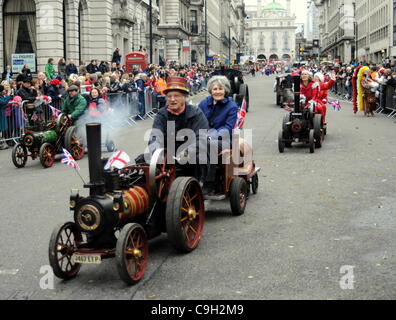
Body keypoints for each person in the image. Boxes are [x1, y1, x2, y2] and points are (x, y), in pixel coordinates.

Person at [148, 76, 210, 189]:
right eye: (169, 96)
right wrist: (157, 153)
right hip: (168, 154)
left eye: (176, 96)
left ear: (184, 97)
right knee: (144, 161)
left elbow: (201, 138)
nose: (172, 99)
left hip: (189, 154)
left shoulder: (196, 113)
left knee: (196, 159)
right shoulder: (161, 115)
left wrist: (187, 152)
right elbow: (155, 137)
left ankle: (196, 188)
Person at [198, 76, 238, 195]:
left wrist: (211, 136)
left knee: (211, 145)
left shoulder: (231, 106)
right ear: (211, 90)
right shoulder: (204, 103)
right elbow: (197, 121)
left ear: (225, 90)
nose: (217, 92)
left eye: (220, 89)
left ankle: (209, 182)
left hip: (223, 140)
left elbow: (228, 128)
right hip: (204, 136)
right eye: (215, 89)